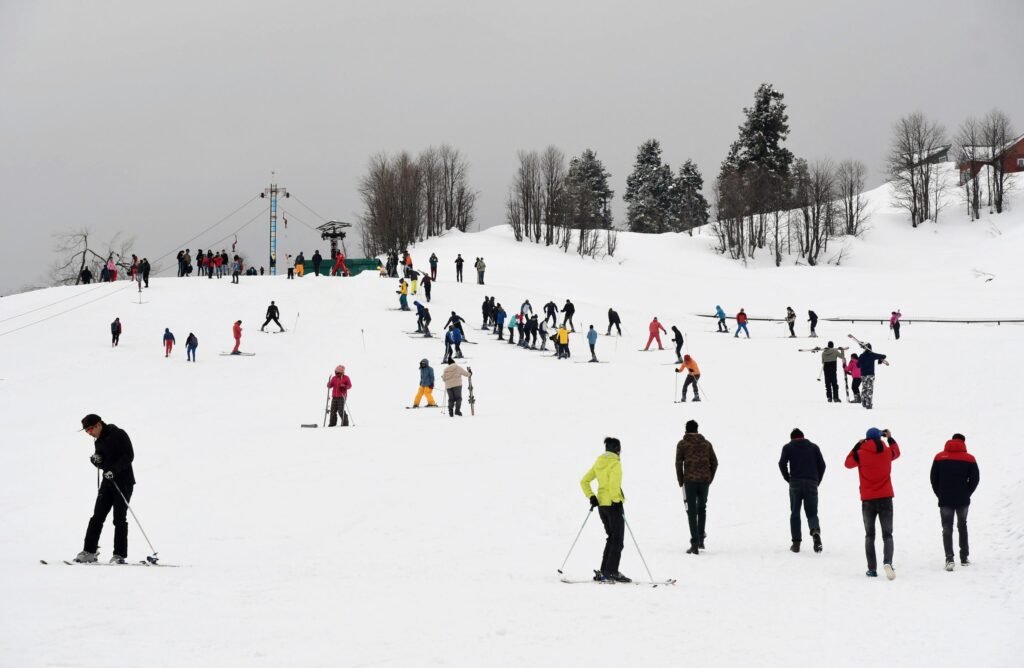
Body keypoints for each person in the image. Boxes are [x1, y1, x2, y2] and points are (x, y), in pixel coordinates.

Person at [75, 414, 136, 564]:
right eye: (86, 431)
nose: (89, 433)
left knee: (119, 519)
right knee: (97, 517)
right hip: (107, 483)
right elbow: (103, 462)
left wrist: (113, 470)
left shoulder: (119, 434)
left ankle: (119, 555)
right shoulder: (99, 441)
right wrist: (96, 461)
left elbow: (129, 456)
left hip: (124, 482)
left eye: (90, 429)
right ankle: (89, 551)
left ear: (98, 425)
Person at [845, 427, 901, 579]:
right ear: (880, 437)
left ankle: (872, 569)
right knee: (887, 534)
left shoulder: (860, 454)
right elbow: (897, 451)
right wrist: (890, 437)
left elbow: (847, 463)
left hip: (868, 500)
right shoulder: (887, 452)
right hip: (886, 498)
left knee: (870, 535)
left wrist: (857, 446)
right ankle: (888, 561)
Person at [580, 437, 630, 583]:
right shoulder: (615, 464)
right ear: (617, 450)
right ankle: (611, 572)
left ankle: (605, 570)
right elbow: (614, 485)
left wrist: (592, 497)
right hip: (613, 505)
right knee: (618, 540)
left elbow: (584, 481)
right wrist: (616, 501)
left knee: (611, 538)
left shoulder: (599, 462)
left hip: (602, 506)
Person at [930, 433, 980, 570]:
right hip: (962, 498)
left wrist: (939, 493)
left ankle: (949, 558)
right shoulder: (970, 458)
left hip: (945, 498)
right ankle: (964, 557)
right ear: (963, 442)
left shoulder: (939, 457)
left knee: (947, 528)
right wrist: (967, 492)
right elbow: (975, 479)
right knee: (962, 525)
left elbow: (933, 478)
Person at [778, 428, 826, 553]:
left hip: (795, 483)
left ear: (792, 438)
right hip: (811, 483)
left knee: (795, 512)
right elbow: (822, 465)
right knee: (812, 513)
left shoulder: (788, 447)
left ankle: (796, 543)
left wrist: (788, 478)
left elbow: (781, 463)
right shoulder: (814, 447)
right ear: (803, 436)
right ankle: (815, 531)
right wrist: (817, 481)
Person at [675, 419, 718, 555]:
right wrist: (710, 478)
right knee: (702, 508)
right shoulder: (706, 444)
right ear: (697, 429)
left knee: (691, 511)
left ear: (686, 430)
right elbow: (715, 462)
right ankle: (700, 540)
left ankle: (694, 543)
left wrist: (680, 480)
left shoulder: (682, 444)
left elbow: (678, 463)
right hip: (704, 481)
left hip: (689, 481)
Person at [855, 343, 888, 410]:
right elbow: (884, 356)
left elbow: (857, 365)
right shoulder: (872, 355)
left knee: (864, 388)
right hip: (870, 374)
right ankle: (868, 404)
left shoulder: (861, 356)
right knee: (869, 388)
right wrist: (879, 359)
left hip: (863, 375)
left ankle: (864, 402)